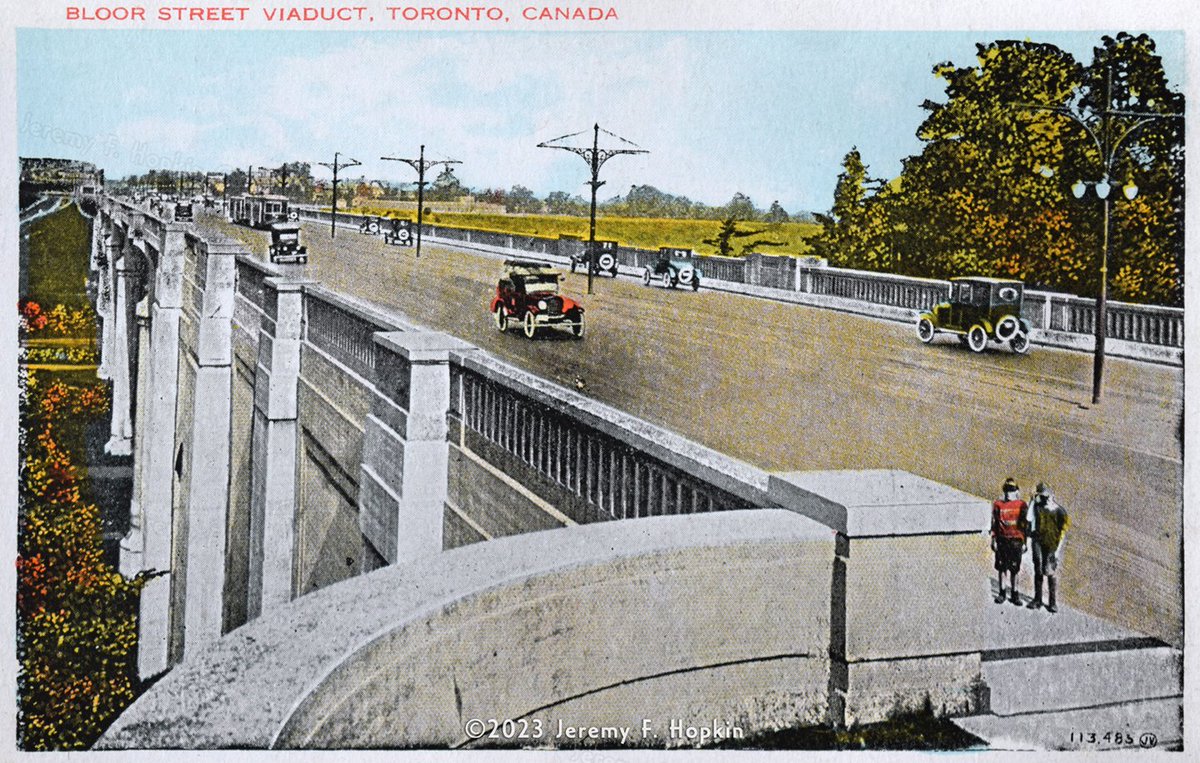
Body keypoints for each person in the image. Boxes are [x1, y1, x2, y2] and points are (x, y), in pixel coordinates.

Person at [1026, 482, 1070, 613]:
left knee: (1050, 572)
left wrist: (1057, 551)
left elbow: (1062, 534)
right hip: (1037, 542)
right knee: (1038, 569)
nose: (1046, 499)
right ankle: (1037, 600)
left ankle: (1052, 602)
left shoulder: (1060, 512)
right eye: (1043, 496)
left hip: (1052, 546)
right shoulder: (1037, 507)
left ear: (1052, 495)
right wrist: (1032, 501)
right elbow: (1029, 518)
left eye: (1047, 496)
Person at [991, 477, 1029, 605]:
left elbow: (1025, 526)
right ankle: (1002, 593)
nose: (1009, 493)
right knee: (1002, 568)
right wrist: (994, 540)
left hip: (1016, 542)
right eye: (1007, 490)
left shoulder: (1022, 505)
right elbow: (994, 524)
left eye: (1012, 490)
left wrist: (1025, 543)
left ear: (1017, 491)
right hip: (1002, 540)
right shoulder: (998, 505)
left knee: (1014, 569)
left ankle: (1015, 594)